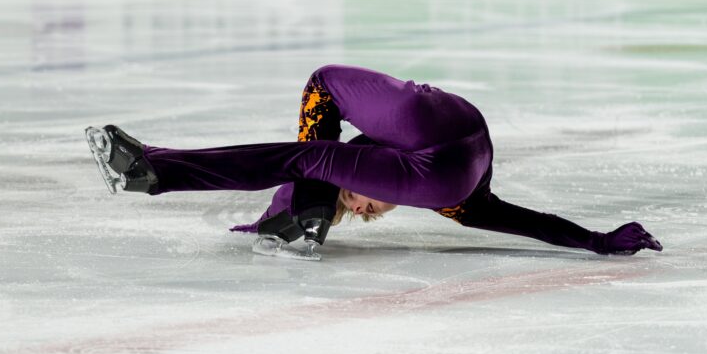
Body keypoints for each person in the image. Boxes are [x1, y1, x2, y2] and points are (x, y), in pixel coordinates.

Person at [85, 65, 662, 260]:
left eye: (352, 204)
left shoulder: (453, 199)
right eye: (357, 205)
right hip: (439, 131)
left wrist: (597, 242)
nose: (362, 207)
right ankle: (301, 214)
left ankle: (157, 171)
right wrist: (595, 241)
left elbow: (524, 221)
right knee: (313, 151)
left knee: (315, 135)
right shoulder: (457, 201)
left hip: (427, 127)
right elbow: (525, 221)